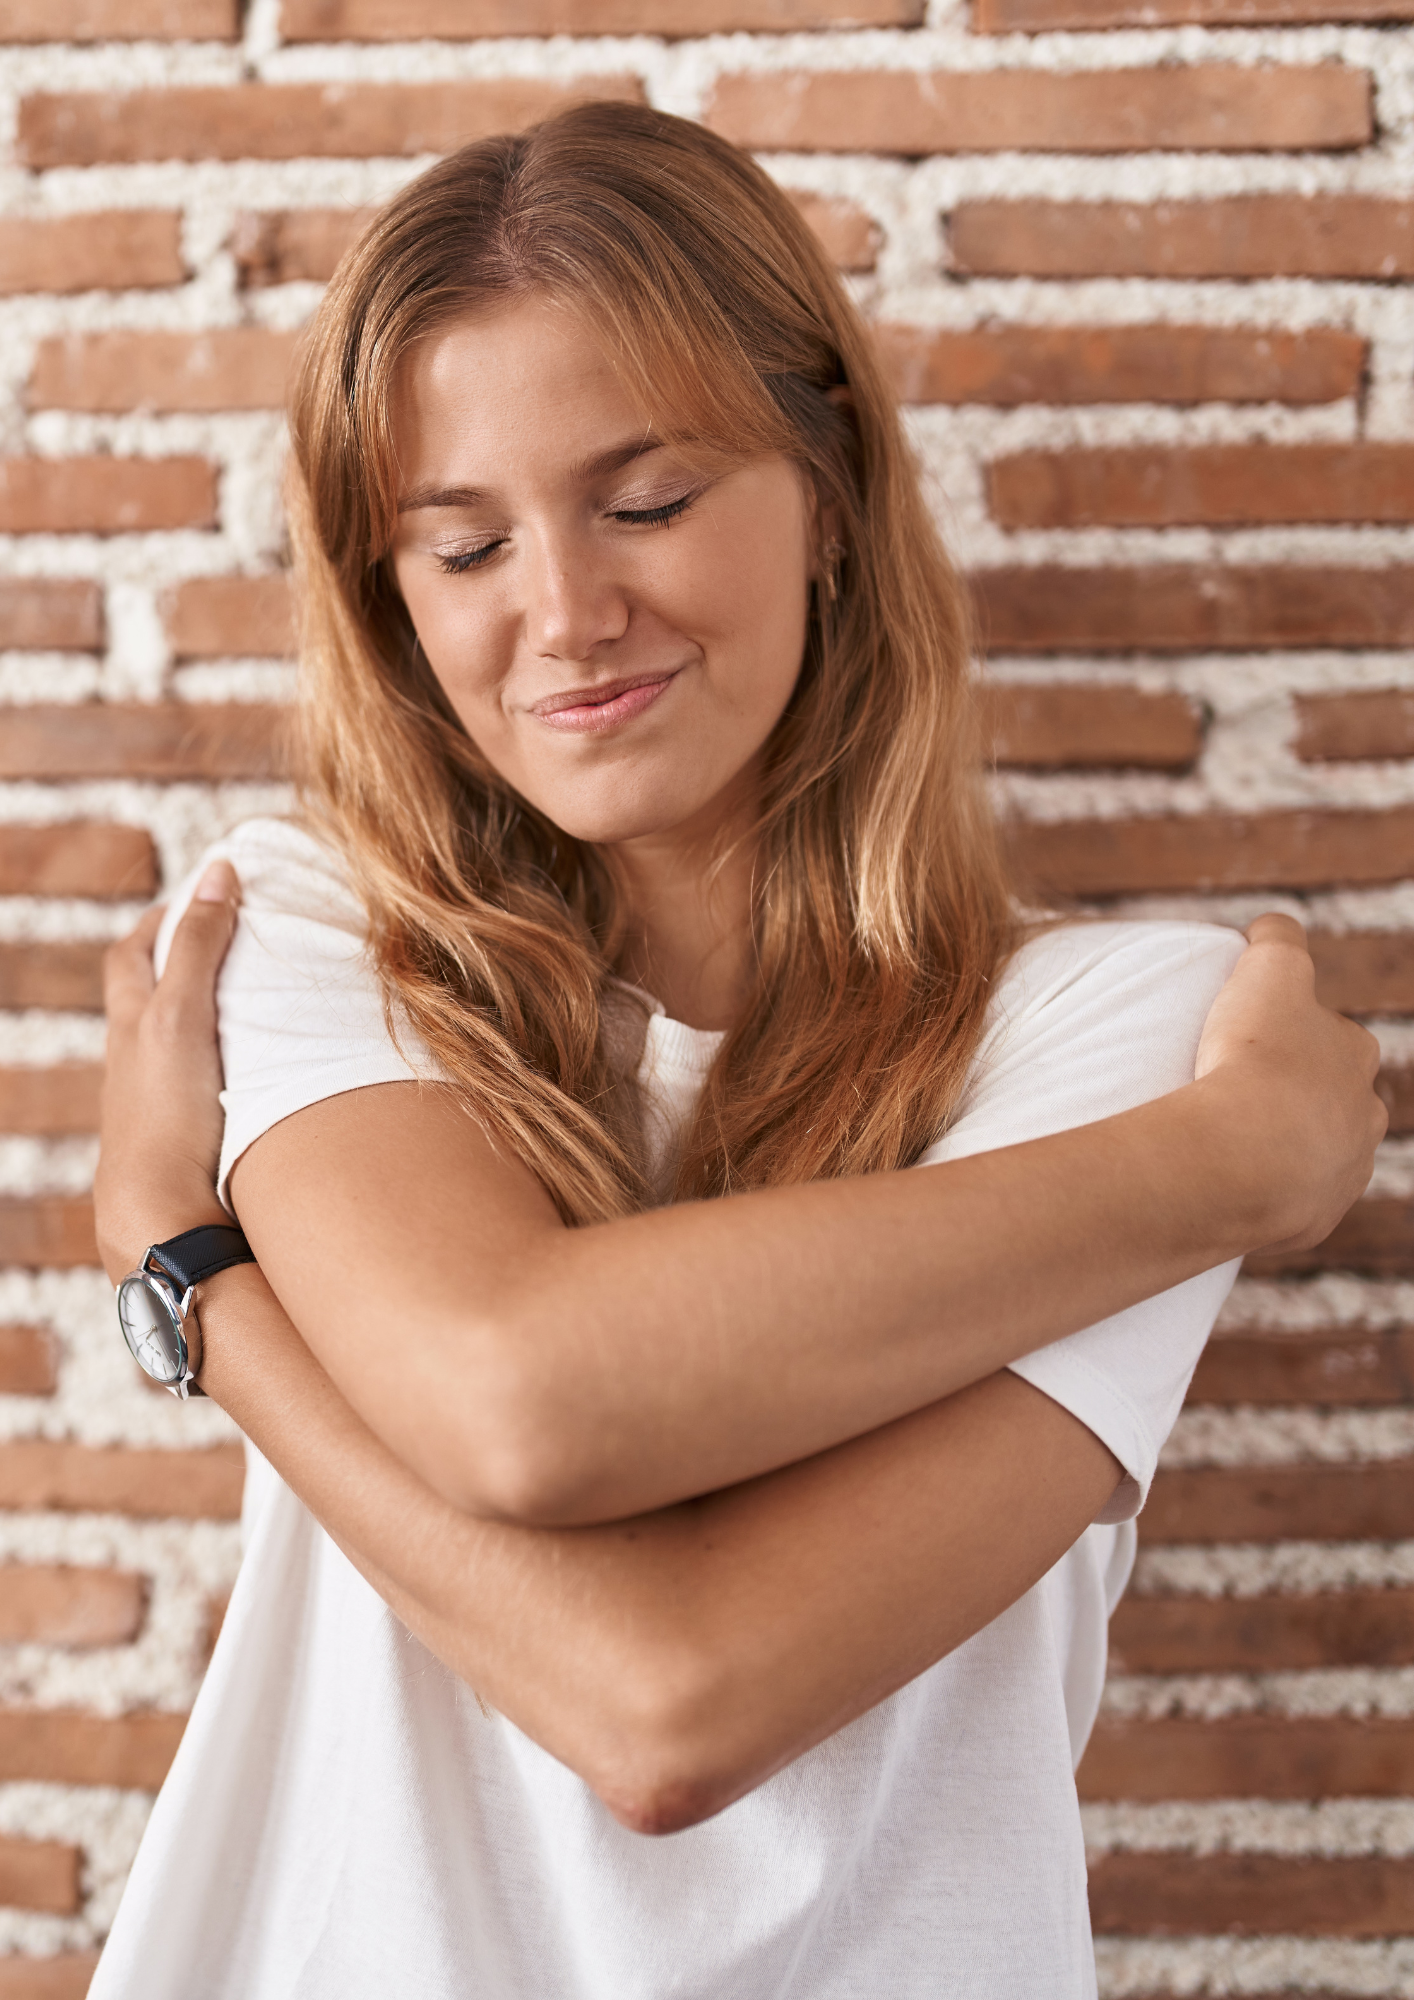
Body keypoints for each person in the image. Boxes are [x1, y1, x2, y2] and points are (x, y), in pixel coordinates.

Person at [90, 103, 1384, 1998]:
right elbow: (516, 1394)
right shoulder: (303, 925)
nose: (564, 614)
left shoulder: (1129, 1031)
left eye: (648, 501)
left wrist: (194, 1271)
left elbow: (668, 1710)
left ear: (831, 493)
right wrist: (1229, 1174)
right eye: (459, 546)